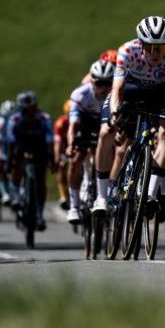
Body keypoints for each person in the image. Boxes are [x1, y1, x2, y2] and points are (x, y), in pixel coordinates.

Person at [93, 16, 165, 221]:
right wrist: (114, 114)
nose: (156, 53)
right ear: (141, 43)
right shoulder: (128, 50)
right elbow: (118, 89)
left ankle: (149, 195)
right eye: (150, 47)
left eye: (160, 48)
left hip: (160, 94)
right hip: (130, 91)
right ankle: (101, 196)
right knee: (105, 133)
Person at [66, 60, 114, 224]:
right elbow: (73, 125)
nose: (103, 88)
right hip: (86, 123)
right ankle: (74, 205)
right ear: (92, 81)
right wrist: (71, 144)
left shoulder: (116, 95)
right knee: (76, 159)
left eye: (108, 83)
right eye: (99, 83)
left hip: (106, 123)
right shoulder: (80, 94)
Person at [7, 91, 54, 231]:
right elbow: (10, 139)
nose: (29, 112)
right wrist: (10, 160)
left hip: (39, 146)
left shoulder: (44, 117)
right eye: (26, 109)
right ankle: (15, 193)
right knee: (15, 160)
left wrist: (52, 159)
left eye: (32, 108)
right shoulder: (15, 118)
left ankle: (39, 213)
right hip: (21, 145)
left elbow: (49, 138)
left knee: (40, 179)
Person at [0, 100, 16, 205]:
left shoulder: (16, 121)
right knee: (1, 168)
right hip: (3, 147)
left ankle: (16, 190)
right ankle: (4, 192)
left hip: (12, 147)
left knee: (13, 169)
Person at [53, 100, 71, 210]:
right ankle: (63, 196)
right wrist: (57, 158)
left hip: (78, 145)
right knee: (62, 166)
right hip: (64, 147)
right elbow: (57, 143)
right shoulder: (61, 123)